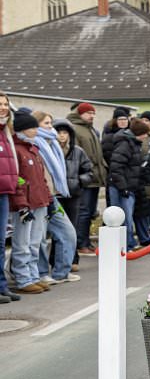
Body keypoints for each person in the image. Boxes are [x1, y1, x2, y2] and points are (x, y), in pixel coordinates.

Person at [31, 112, 79, 284]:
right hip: (38, 197)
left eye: (51, 123)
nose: (51, 127)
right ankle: (42, 273)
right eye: (46, 123)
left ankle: (61, 272)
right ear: (36, 125)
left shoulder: (51, 143)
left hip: (52, 196)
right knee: (39, 238)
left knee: (68, 232)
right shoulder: (35, 143)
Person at [9, 113, 53, 294]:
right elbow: (16, 179)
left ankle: (34, 276)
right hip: (24, 204)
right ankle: (23, 278)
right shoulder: (16, 150)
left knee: (35, 242)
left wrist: (48, 198)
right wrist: (21, 203)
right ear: (22, 129)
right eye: (32, 127)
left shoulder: (33, 149)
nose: (36, 130)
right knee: (22, 242)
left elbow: (41, 179)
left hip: (39, 202)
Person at [66, 102, 107, 256]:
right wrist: (81, 176)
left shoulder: (90, 129)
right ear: (80, 113)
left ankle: (86, 241)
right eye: (89, 113)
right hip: (84, 179)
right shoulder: (75, 129)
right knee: (83, 212)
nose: (92, 116)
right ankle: (80, 243)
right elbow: (75, 156)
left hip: (93, 178)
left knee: (89, 212)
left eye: (93, 113)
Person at [53, 119, 93, 271]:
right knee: (56, 230)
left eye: (65, 132)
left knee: (72, 229)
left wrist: (78, 182)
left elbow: (89, 171)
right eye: (59, 132)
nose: (62, 136)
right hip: (55, 196)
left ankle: (72, 260)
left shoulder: (78, 151)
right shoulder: (50, 150)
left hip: (73, 196)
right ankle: (55, 260)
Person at [107, 118, 150, 251]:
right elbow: (116, 168)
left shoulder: (133, 143)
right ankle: (125, 245)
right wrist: (123, 188)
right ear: (139, 133)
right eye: (145, 133)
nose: (146, 136)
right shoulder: (125, 145)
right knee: (123, 218)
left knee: (127, 217)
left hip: (128, 186)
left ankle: (129, 243)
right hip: (121, 188)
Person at [0, 93, 19, 303]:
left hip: (4, 192)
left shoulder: (5, 131)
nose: (3, 107)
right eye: (0, 104)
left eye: (6, 104)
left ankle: (2, 286)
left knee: (0, 242)